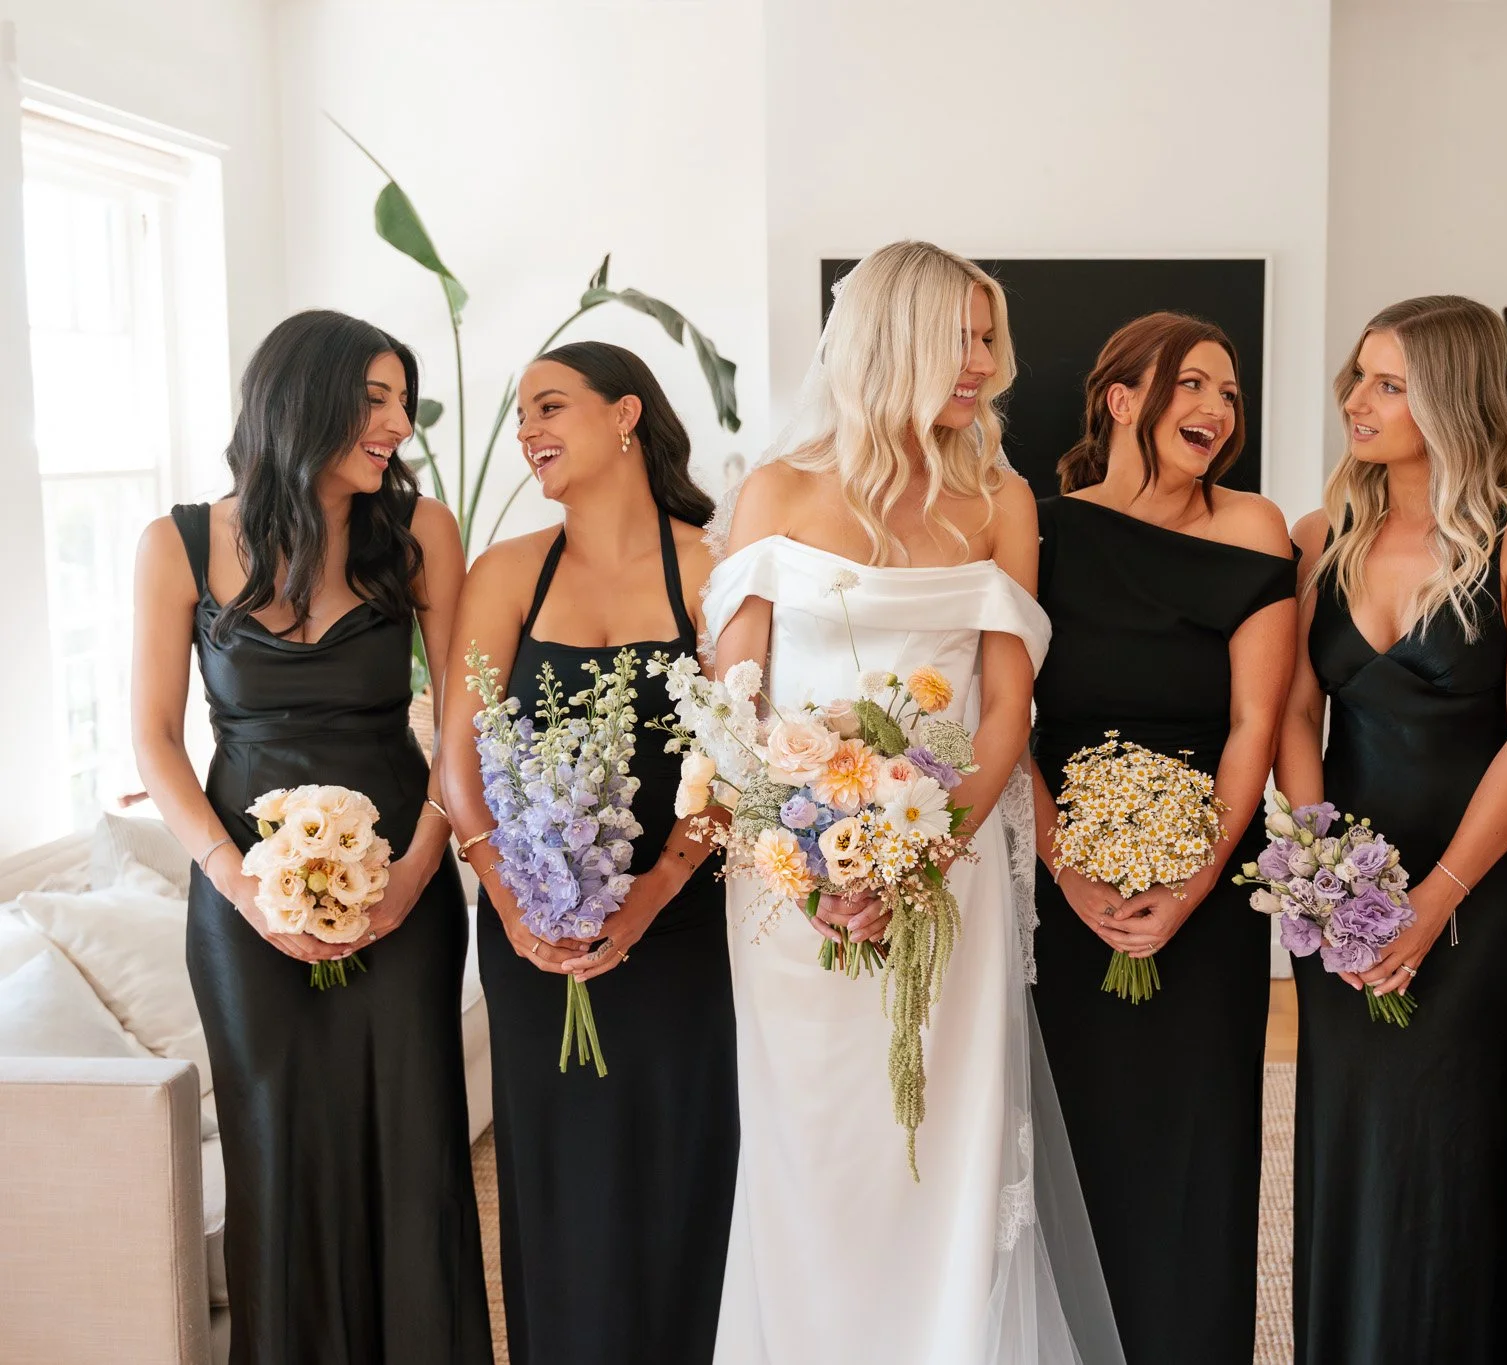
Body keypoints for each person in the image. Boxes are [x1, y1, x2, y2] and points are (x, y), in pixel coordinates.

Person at [704, 240, 1120, 1365]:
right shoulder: (776, 492)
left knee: (939, 1143)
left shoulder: (1000, 499)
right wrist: (807, 859)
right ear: (894, 339)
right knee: (817, 1146)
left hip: (950, 867)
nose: (985, 362)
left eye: (991, 338)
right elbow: (731, 707)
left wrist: (916, 865)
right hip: (788, 890)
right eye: (963, 337)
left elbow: (1002, 712)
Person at [131, 309, 489, 1363]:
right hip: (242, 902)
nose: (395, 424)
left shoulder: (419, 533)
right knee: (277, 1154)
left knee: (413, 1149)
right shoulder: (180, 541)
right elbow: (153, 740)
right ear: (304, 400)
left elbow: (465, 723)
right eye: (372, 400)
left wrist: (420, 869)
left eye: (399, 401)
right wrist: (243, 887)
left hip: (407, 889)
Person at [1275, 295, 1507, 1362]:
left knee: (1456, 1162)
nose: (1355, 402)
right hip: (1344, 897)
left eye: (1388, 384)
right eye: (1356, 378)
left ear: (1449, 398)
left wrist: (1432, 899)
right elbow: (1290, 718)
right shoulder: (1320, 535)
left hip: (1483, 902)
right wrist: (1321, 881)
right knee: (1353, 1148)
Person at [437, 341, 738, 1365]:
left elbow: (739, 765)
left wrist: (653, 890)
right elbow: (456, 767)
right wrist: (514, 906)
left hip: (687, 924)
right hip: (531, 929)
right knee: (561, 1176)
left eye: (549, 407)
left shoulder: (713, 567)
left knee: (686, 1165)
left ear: (625, 416)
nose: (528, 431)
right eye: (522, 415)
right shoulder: (507, 572)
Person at [1028, 311, 1295, 1365]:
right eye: (1192, 385)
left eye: (1228, 394)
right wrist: (1069, 865)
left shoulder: (1255, 528)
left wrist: (1187, 882)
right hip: (1066, 882)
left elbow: (1253, 727)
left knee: (1200, 1150)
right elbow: (1011, 724)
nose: (1217, 411)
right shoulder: (1039, 527)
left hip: (1208, 890)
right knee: (1076, 1142)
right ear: (1121, 398)